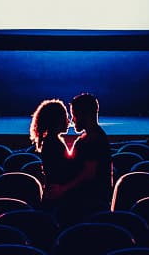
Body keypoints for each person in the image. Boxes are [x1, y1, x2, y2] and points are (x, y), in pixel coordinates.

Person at [49, 92, 112, 221]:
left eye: (75, 115)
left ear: (85, 115)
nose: (73, 120)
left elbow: (88, 174)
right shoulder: (93, 137)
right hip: (89, 201)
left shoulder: (93, 139)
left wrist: (62, 190)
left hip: (88, 205)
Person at [30, 99, 77, 207]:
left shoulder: (51, 141)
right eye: (65, 117)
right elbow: (64, 173)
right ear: (56, 121)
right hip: (56, 199)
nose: (68, 121)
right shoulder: (54, 144)